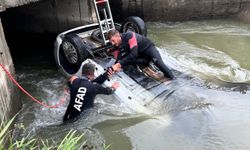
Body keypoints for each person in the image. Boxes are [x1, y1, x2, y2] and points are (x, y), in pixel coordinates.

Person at [107, 29, 174, 80]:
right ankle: (145, 64)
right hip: (141, 55)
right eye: (111, 42)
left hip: (148, 48)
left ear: (118, 36)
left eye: (113, 40)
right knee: (126, 62)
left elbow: (133, 54)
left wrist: (119, 64)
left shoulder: (129, 35)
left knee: (159, 63)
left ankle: (172, 79)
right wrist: (115, 67)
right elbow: (119, 57)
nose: (112, 43)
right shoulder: (117, 44)